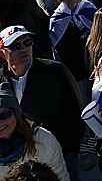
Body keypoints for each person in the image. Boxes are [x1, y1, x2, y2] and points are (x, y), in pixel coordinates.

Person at [0, 26, 83, 179]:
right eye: (15, 46)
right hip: (14, 155)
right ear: (2, 53)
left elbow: (74, 111)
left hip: (56, 152)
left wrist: (72, 149)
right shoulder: (1, 79)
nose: (23, 49)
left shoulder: (55, 71)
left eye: (27, 43)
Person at [0, 82, 69, 181]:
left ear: (16, 114)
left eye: (4, 115)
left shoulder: (45, 141)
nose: (0, 123)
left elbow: (60, 177)